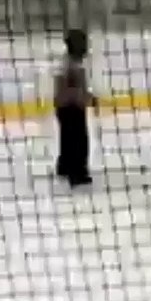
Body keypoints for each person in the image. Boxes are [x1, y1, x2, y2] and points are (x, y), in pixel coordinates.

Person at [54, 29, 96, 187]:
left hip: (64, 106)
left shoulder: (68, 62)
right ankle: (77, 172)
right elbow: (73, 89)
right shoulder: (72, 66)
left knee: (68, 138)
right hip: (71, 107)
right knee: (78, 141)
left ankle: (64, 166)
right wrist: (85, 98)